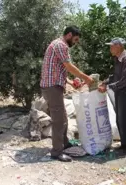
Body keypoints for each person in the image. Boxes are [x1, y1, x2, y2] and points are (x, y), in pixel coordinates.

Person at [40, 26, 93, 162]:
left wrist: (69, 82)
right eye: (75, 39)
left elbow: (57, 70)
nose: (75, 42)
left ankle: (64, 143)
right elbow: (68, 66)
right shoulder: (61, 45)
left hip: (52, 86)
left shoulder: (56, 44)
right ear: (69, 35)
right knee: (59, 120)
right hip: (52, 88)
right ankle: (57, 152)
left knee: (62, 117)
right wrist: (85, 77)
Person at [98, 38, 126, 155]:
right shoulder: (118, 59)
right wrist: (105, 82)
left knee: (124, 119)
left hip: (125, 92)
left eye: (112, 46)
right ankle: (124, 144)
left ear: (119, 46)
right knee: (120, 119)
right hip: (119, 92)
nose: (110, 48)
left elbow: (125, 80)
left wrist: (108, 87)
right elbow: (115, 76)